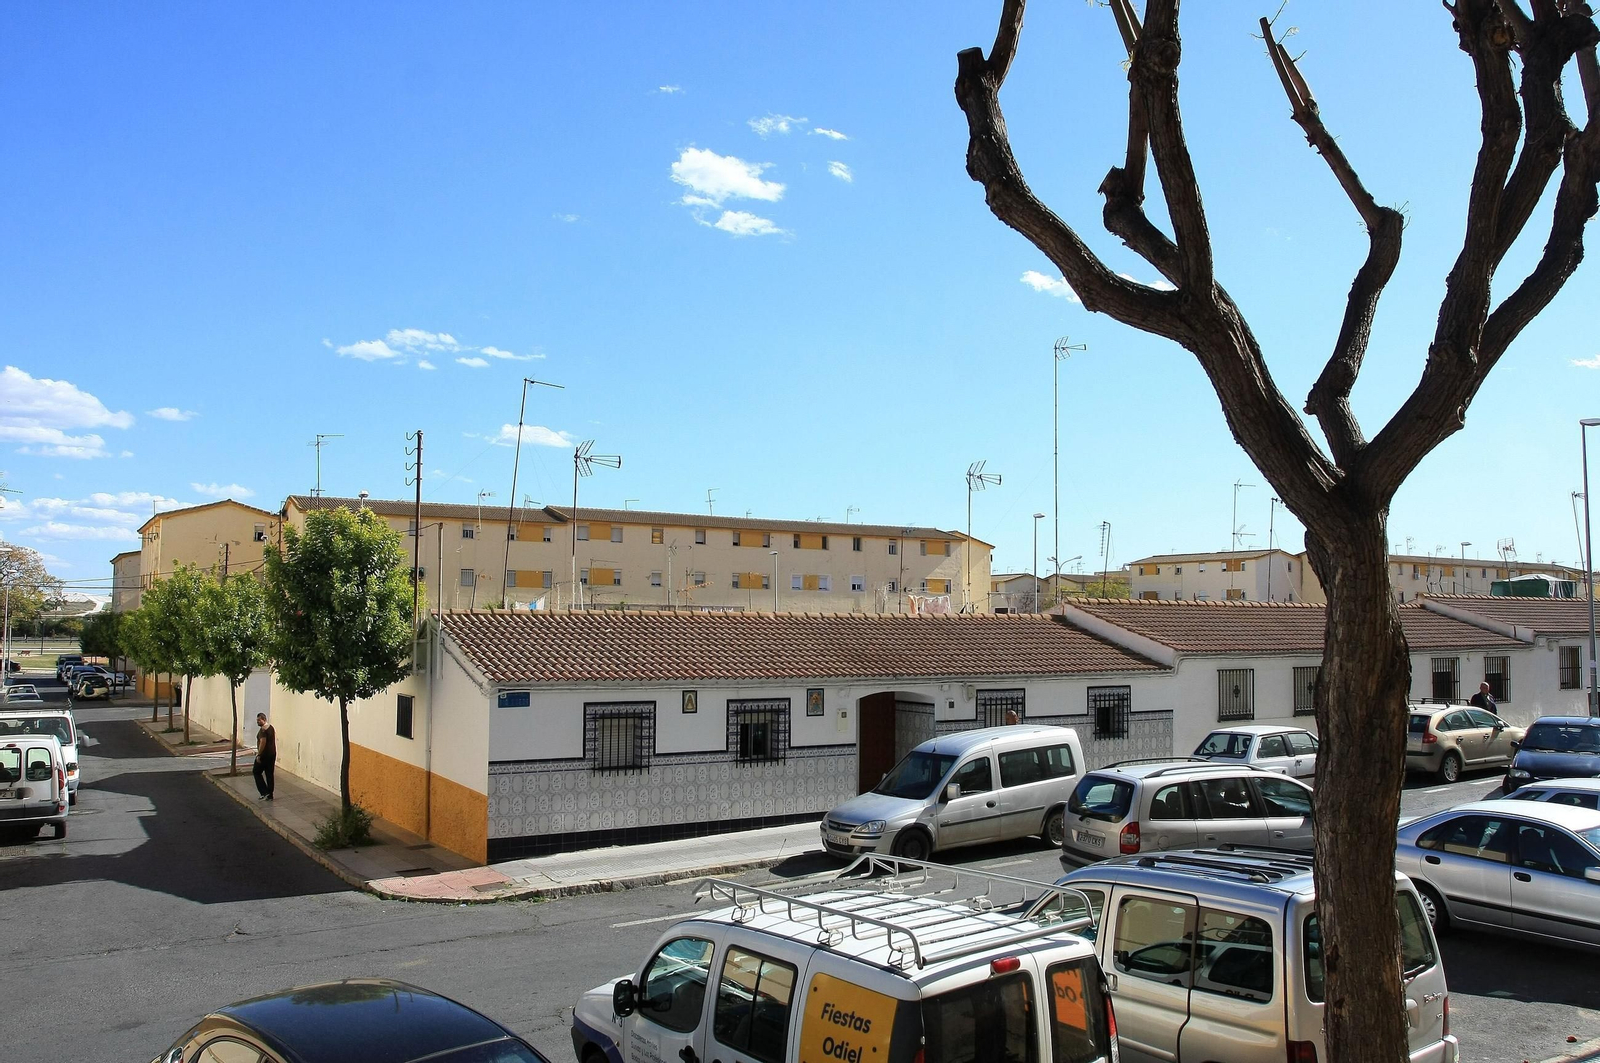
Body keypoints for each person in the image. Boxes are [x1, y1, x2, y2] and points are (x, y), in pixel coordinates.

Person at [253, 712, 276, 801]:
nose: (257, 722)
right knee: (269, 774)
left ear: (264, 719)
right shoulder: (271, 728)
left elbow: (263, 742)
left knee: (256, 771)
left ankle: (264, 791)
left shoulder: (263, 730)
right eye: (257, 720)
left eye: (259, 720)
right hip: (272, 754)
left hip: (264, 755)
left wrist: (259, 754)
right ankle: (270, 794)